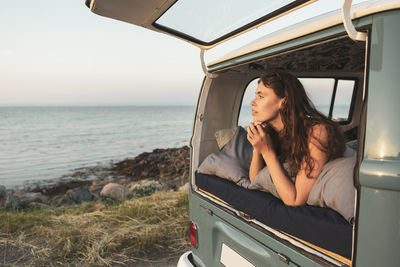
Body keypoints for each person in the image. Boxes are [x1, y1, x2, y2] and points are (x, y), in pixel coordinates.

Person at [247, 72, 345, 206]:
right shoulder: (272, 132)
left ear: (283, 102)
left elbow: (295, 200)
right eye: (255, 95)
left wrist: (267, 152)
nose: (252, 102)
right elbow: (255, 180)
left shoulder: (317, 132)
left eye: (261, 96)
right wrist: (257, 147)